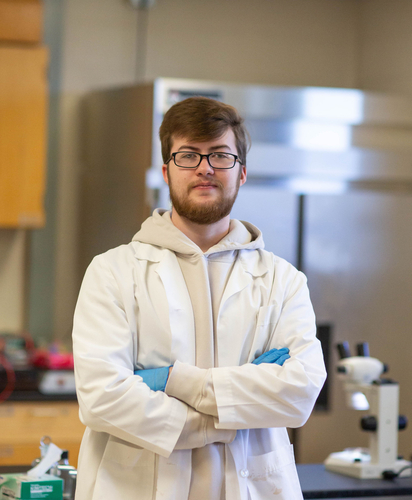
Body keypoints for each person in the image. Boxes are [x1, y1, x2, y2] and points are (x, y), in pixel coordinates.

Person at [72, 96, 326, 500]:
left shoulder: (282, 280)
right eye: (188, 155)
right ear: (166, 171)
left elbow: (298, 394)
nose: (205, 167)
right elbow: (102, 398)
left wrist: (176, 381)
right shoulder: (113, 272)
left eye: (221, 156)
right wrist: (231, 413)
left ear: (241, 173)